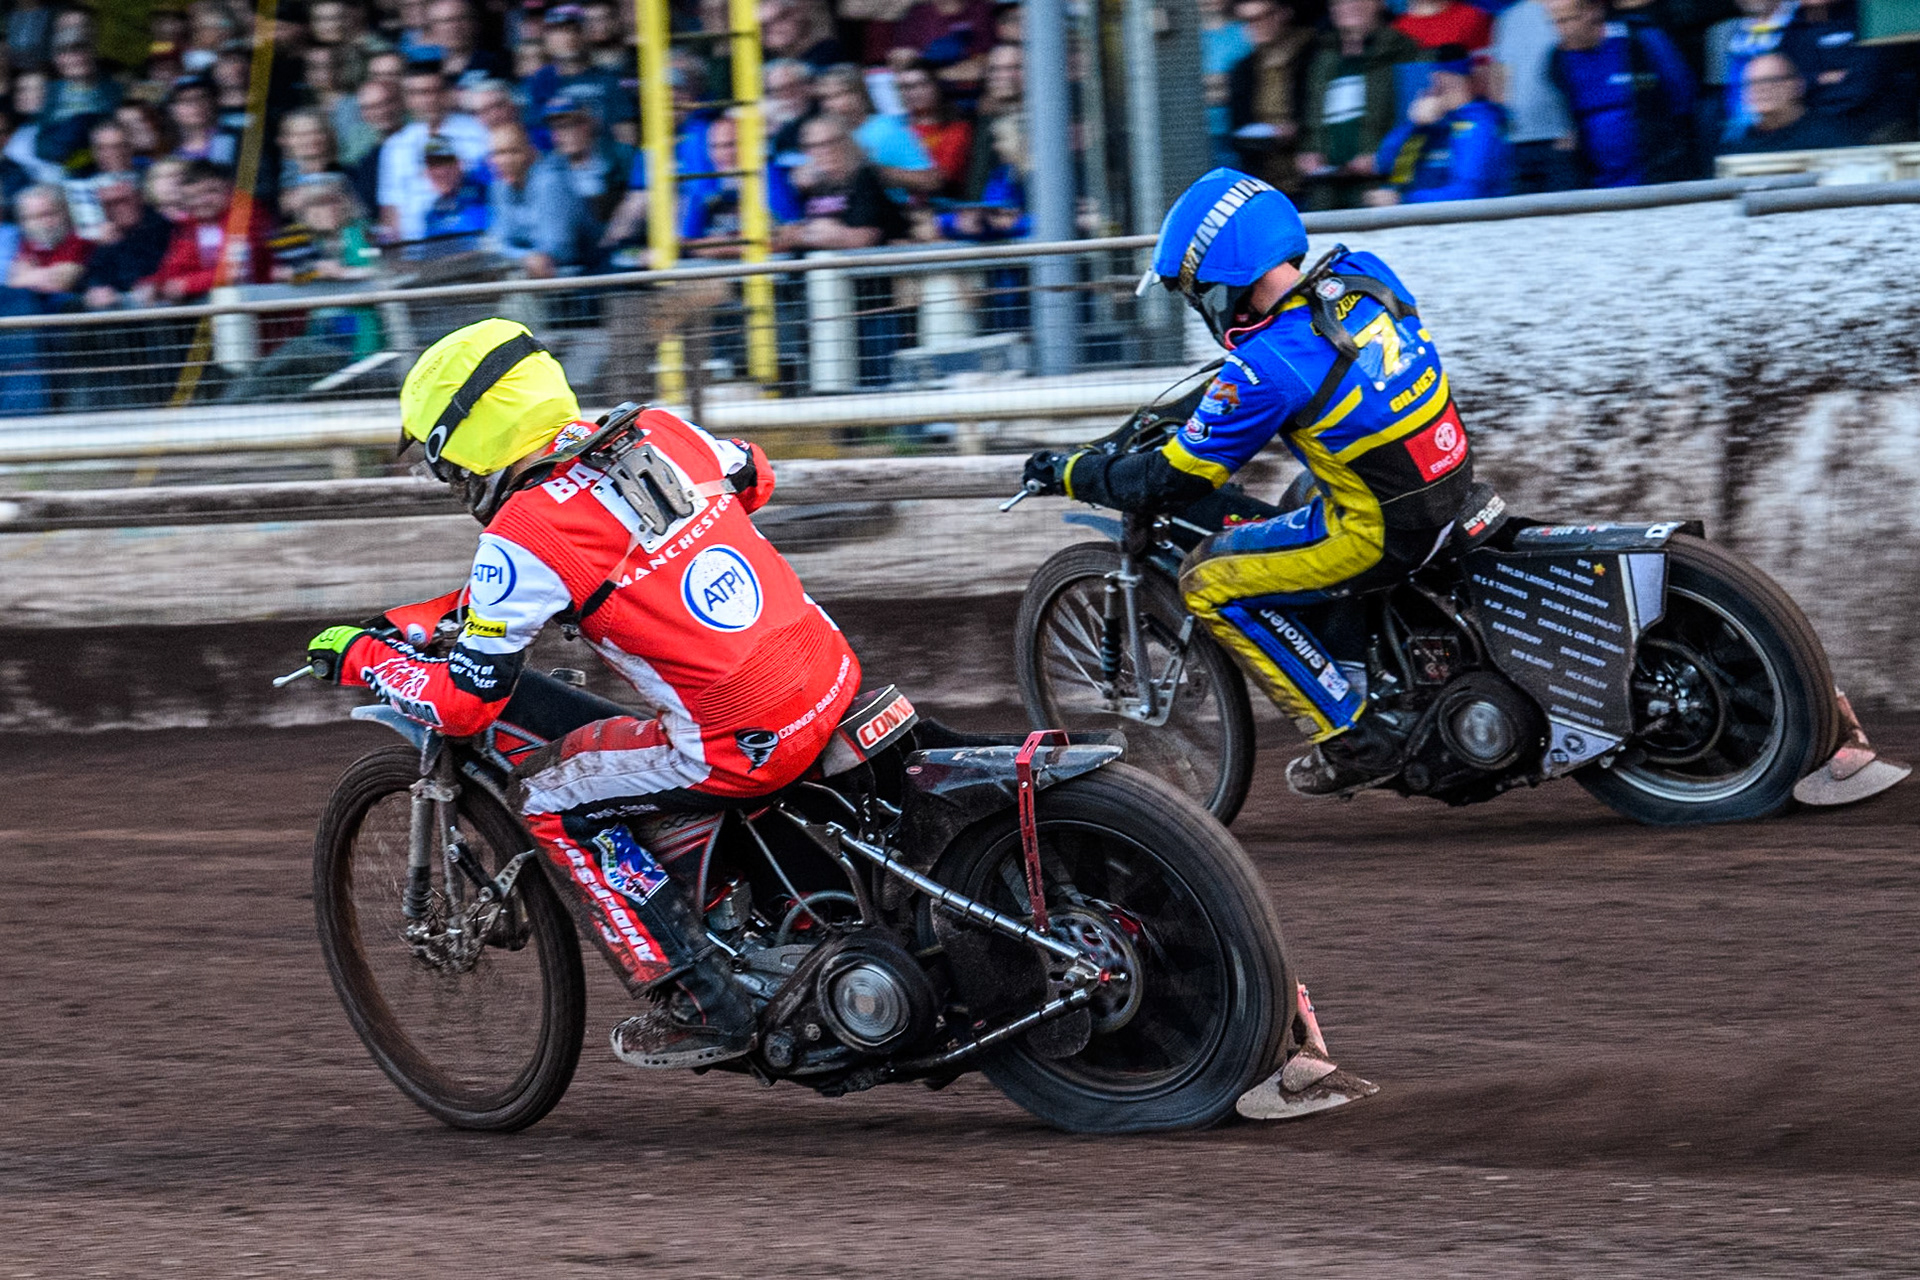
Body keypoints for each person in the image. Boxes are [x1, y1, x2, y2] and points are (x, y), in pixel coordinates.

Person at [301, 318, 865, 1068]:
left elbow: (466, 705)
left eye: (446, 467)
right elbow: (754, 474)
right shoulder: (659, 430)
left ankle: (701, 999)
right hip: (832, 674)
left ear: (467, 446)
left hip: (736, 738)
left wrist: (367, 657)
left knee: (550, 796)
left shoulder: (523, 532)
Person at [1023, 169, 1474, 794]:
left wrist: (1075, 471)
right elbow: (1239, 390)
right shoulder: (1364, 277)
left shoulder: (1268, 363)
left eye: (1195, 290)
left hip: (1383, 530)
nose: (1197, 303)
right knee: (1296, 494)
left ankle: (1351, 737)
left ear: (1221, 278)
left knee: (1208, 579)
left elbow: (1171, 478)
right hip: (1445, 477)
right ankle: (1351, 662)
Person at [1546, 0, 1696, 187]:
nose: (1564, 30)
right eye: (1556, 22)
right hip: (1597, 187)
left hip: (1654, 179)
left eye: (1571, 19)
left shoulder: (1640, 38)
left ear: (1595, 10)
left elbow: (1682, 98)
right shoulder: (1557, 61)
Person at [1296, 0, 1424, 210]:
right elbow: (1311, 122)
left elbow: (1417, 124)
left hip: (1379, 190)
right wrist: (1309, 152)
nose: (1348, 5)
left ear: (1379, 4)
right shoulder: (1322, 58)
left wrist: (1383, 158)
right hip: (1326, 190)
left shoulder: (1403, 51)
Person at [1369, 45, 1506, 203]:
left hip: (1471, 224)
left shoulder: (1479, 126)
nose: (1433, 88)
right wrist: (1413, 126)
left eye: (1440, 82)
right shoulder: (1427, 125)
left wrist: (1402, 200)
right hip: (1421, 220)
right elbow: (1388, 167)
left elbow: (1469, 194)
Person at [377, 59, 489, 241]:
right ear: (407, 99)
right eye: (416, 93)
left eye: (432, 91)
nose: (426, 100)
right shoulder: (394, 147)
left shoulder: (479, 132)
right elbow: (390, 210)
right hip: (414, 251)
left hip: (471, 239)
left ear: (446, 93)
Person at [138, 159, 274, 303]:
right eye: (193, 196)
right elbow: (177, 267)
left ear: (228, 189)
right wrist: (155, 284)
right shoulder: (191, 226)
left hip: (264, 309)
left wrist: (186, 285)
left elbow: (235, 272)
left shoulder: (246, 215)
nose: (202, 201)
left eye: (210, 192)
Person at [1489, 0, 1580, 193]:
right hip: (1517, 145)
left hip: (1560, 142)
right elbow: (1499, 77)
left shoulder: (1569, 8)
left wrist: (1574, 129)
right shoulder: (1508, 18)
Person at [816, 63, 942, 199]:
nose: (828, 105)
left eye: (837, 96)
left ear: (859, 95)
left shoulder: (887, 130)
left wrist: (872, 172)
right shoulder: (823, 135)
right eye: (824, 98)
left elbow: (931, 180)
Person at [1225, 0, 1314, 192]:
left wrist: (1296, 129)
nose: (1256, 26)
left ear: (1283, 13)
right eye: (1248, 20)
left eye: (1263, 17)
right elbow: (1238, 130)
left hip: (1309, 175)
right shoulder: (1242, 71)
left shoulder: (1312, 55)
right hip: (1264, 182)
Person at [486, 122, 594, 274]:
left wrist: (520, 256)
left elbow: (556, 252)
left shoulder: (551, 183)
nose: (505, 161)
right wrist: (525, 256)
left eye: (513, 152)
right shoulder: (498, 187)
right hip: (528, 271)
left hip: (577, 272)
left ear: (531, 153)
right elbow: (499, 244)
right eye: (497, 154)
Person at [1718, 50, 1861, 152]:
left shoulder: (1829, 138)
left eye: (1771, 80)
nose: (1760, 89)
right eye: (1751, 83)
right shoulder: (1737, 145)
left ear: (1798, 85)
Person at [895, 60, 972, 195]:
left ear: (936, 86)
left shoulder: (957, 129)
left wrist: (886, 174)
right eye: (906, 87)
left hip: (942, 205)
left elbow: (940, 178)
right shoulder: (895, 127)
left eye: (921, 85)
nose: (913, 92)